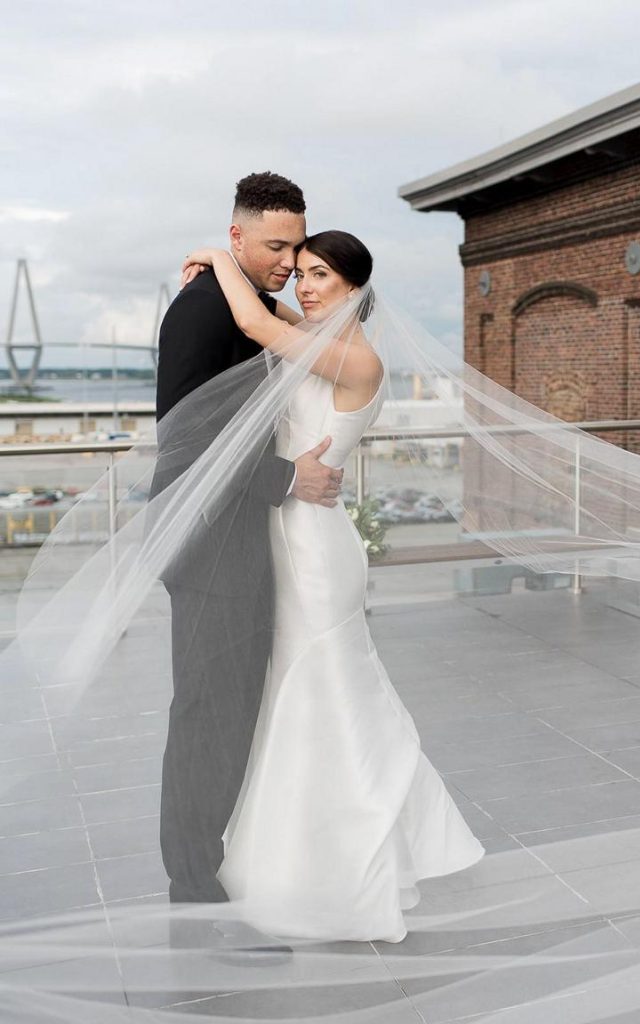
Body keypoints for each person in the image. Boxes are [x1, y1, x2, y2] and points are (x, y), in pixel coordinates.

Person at [179, 231, 486, 943]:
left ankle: (348, 876)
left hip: (314, 551)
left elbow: (256, 321)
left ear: (353, 286)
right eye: (302, 272)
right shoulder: (317, 337)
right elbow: (273, 318)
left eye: (319, 274)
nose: (303, 285)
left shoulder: (355, 358)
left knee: (323, 698)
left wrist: (220, 259)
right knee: (296, 702)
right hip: (288, 538)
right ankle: (302, 862)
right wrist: (235, 280)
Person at [151, 172, 345, 957]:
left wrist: (224, 265)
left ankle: (208, 876)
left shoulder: (246, 300)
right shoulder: (203, 310)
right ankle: (194, 894)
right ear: (238, 237)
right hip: (207, 548)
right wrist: (288, 478)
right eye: (274, 246)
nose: (289, 259)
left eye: (297, 245)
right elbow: (185, 449)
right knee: (207, 722)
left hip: (239, 545)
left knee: (228, 721)